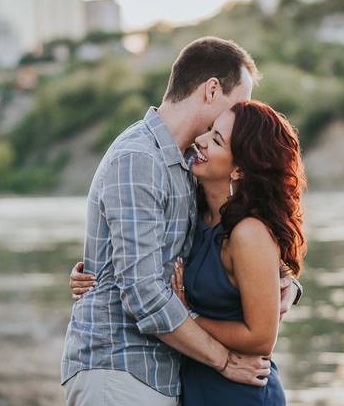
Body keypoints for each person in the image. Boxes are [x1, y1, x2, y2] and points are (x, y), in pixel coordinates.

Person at [61, 37, 303, 406]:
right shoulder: (139, 159)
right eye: (238, 104)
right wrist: (223, 360)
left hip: (167, 376)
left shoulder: (189, 166)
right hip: (121, 368)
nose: (239, 116)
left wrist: (286, 285)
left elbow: (240, 243)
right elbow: (142, 292)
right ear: (211, 91)